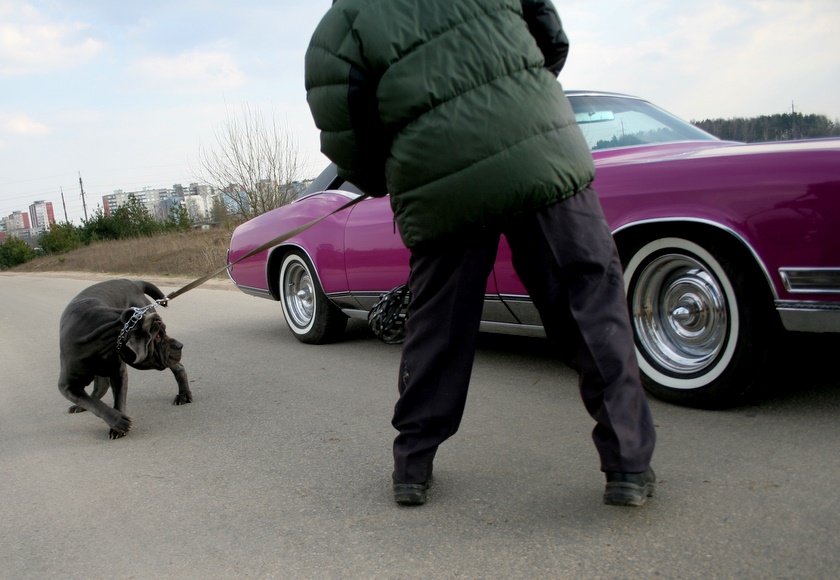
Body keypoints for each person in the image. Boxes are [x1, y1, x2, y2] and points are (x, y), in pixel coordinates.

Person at [304, 0, 656, 507]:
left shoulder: (342, 24)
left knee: (439, 326)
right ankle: (627, 463)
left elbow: (347, 133)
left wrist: (394, 173)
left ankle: (412, 468)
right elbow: (551, 41)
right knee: (588, 301)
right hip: (537, 146)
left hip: (437, 174)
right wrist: (512, 97)